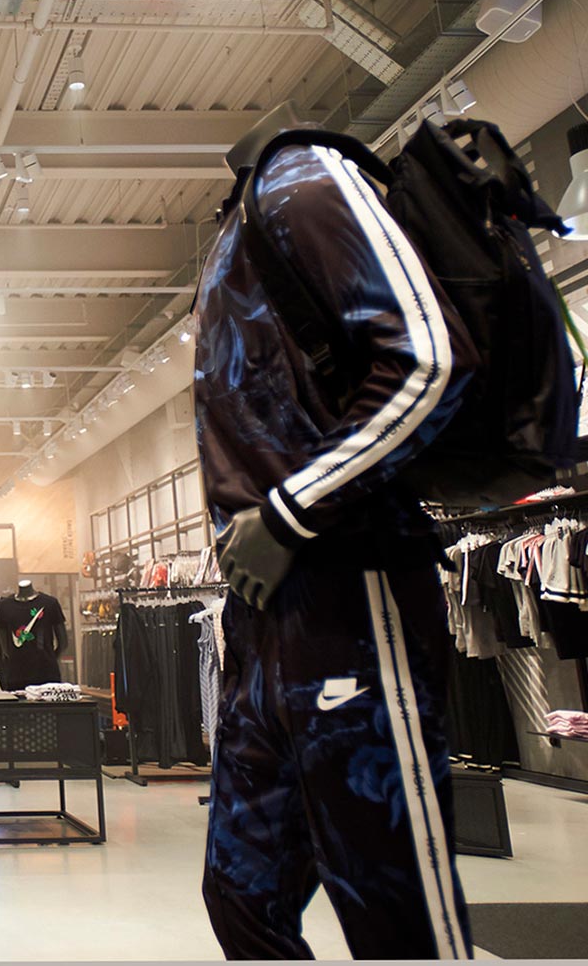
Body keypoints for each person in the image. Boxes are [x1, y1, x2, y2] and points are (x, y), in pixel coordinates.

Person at [196, 103, 475, 959]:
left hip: (351, 594)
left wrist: (292, 512)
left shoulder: (306, 177)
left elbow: (430, 358)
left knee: (396, 916)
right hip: (262, 618)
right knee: (241, 896)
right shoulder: (241, 222)